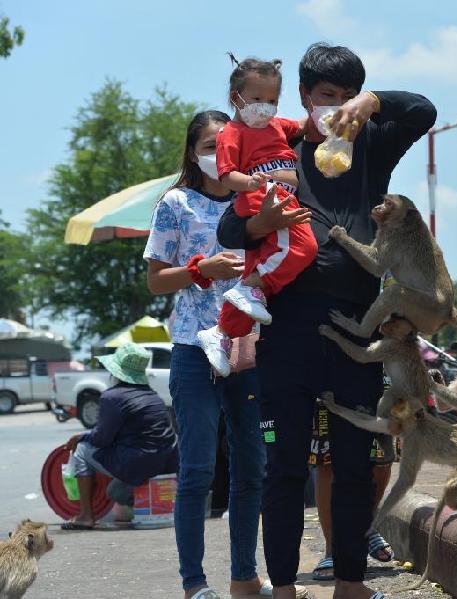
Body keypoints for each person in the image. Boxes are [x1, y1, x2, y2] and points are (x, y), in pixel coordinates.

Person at [218, 42, 436, 599]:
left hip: (357, 329)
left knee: (354, 465)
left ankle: (350, 582)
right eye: (326, 97)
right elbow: (226, 231)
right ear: (304, 97)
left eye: (345, 96)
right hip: (288, 328)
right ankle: (285, 585)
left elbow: (423, 111)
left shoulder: (372, 144)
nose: (334, 108)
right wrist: (258, 222)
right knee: (284, 465)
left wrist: (372, 102)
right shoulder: (278, 144)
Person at [145, 110, 288, 599]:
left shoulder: (252, 200)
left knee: (252, 467)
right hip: (192, 347)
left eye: (222, 144)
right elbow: (154, 279)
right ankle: (194, 583)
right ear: (191, 152)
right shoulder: (174, 203)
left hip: (246, 347)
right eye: (207, 145)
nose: (215, 153)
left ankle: (244, 577)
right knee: (199, 467)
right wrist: (199, 268)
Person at [197, 54, 318, 378]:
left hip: (280, 197)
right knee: (303, 247)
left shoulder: (278, 126)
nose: (265, 107)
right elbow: (225, 175)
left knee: (261, 284)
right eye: (257, 99)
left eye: (272, 100)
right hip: (264, 199)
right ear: (236, 98)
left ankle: (221, 334)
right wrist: (248, 182)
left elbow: (307, 125)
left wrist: (331, 116)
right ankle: (250, 286)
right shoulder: (232, 133)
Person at [61, 342, 178, 530]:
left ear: (115, 372)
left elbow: (101, 439)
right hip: (168, 461)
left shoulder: (112, 397)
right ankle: (148, 503)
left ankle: (86, 516)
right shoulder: (152, 395)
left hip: (140, 462)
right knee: (114, 492)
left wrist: (80, 437)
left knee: (82, 450)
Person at [308, 399, 395, 581]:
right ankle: (332, 549)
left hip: (376, 376)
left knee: (381, 457)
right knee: (326, 459)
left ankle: (366, 528)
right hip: (326, 376)